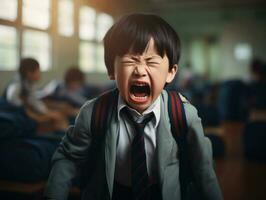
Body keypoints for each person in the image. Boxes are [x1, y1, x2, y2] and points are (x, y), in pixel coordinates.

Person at [44, 13, 222, 200]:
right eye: (130, 60)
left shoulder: (183, 114)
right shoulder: (93, 113)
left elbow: (203, 169)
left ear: (171, 72)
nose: (140, 71)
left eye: (151, 62)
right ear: (111, 70)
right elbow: (69, 158)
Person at [4, 57, 67, 132]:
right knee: (42, 120)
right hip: (10, 111)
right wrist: (28, 110)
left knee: (51, 115)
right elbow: (12, 99)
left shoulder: (30, 83)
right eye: (38, 71)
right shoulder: (17, 83)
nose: (40, 74)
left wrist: (47, 112)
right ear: (29, 73)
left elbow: (34, 101)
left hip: (22, 110)